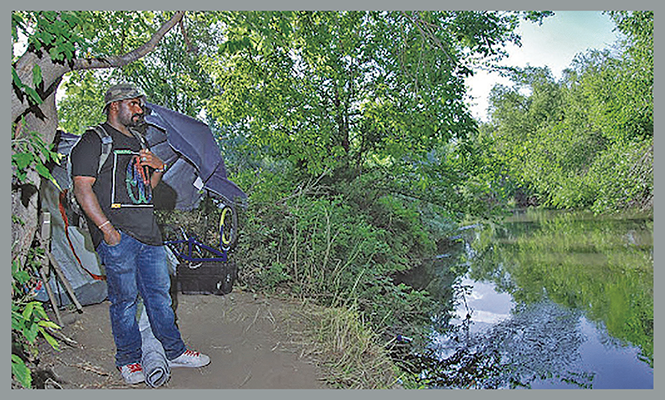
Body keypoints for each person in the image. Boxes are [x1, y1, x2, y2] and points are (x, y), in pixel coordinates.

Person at [70, 83, 210, 385]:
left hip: (149, 235)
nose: (139, 110)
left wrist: (158, 169)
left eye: (140, 104)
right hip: (118, 236)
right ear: (114, 105)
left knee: (160, 297)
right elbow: (82, 188)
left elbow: (144, 190)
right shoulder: (93, 140)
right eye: (133, 103)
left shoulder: (139, 140)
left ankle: (173, 351)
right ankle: (129, 359)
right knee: (125, 301)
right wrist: (107, 231)